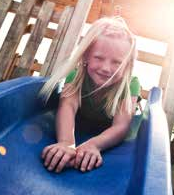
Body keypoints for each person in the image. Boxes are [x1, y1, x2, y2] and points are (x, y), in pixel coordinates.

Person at [40, 16, 141, 174]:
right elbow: (68, 107)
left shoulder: (129, 84)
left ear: (127, 64)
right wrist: (66, 143)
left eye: (117, 62)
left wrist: (94, 145)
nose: (106, 68)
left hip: (105, 136)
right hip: (79, 127)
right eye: (99, 58)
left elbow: (121, 126)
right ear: (86, 55)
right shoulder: (76, 76)